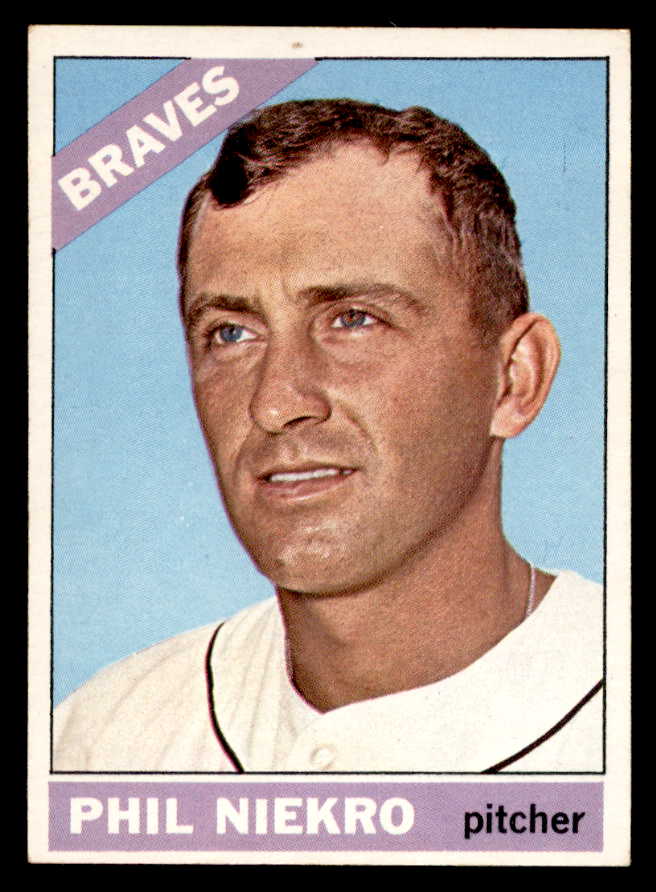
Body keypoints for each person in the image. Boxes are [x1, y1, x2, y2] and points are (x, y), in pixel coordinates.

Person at [54, 99, 603, 772]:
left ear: (514, 379)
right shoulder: (101, 742)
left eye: (354, 319)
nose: (275, 402)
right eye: (231, 333)